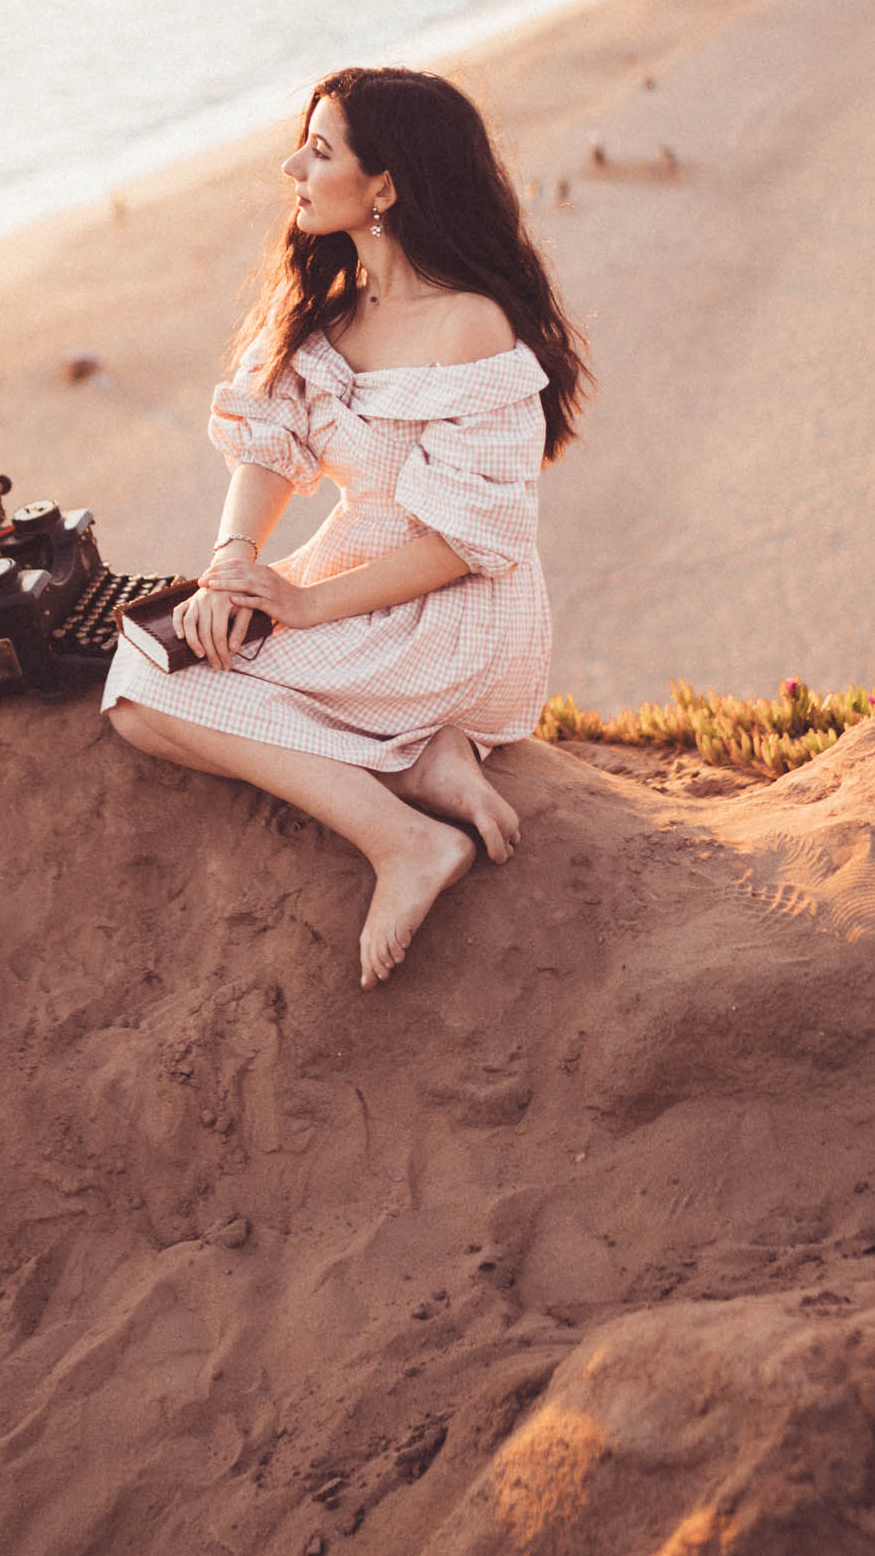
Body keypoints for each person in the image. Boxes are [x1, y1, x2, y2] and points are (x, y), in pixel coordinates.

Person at [104, 65, 586, 989]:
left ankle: (404, 841)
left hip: (455, 608)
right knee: (147, 684)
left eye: (321, 151)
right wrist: (233, 567)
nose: (294, 166)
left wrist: (304, 603)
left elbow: (467, 545)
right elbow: (271, 448)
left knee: (147, 692)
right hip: (346, 576)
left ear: (387, 187)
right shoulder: (328, 306)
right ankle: (418, 767)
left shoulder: (469, 327)